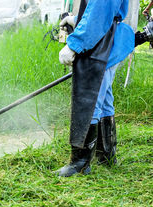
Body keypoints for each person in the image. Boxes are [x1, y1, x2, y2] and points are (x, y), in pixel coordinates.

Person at [55, 0, 135, 177]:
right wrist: (76, 19)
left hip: (101, 44)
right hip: (107, 38)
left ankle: (80, 163)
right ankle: (106, 156)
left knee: (89, 100)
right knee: (103, 98)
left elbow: (100, 13)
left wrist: (73, 45)